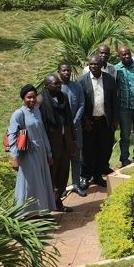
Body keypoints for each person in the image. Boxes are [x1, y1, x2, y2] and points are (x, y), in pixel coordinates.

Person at [8, 85, 57, 215]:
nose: (32, 100)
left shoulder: (37, 111)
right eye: (28, 97)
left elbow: (43, 133)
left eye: (34, 97)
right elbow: (12, 135)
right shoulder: (18, 114)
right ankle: (24, 214)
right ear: (23, 98)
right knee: (28, 183)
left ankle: (41, 211)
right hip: (27, 153)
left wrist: (48, 152)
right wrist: (14, 157)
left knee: (41, 181)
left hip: (40, 153)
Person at [79, 54, 119, 188]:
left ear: (102, 65)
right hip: (89, 122)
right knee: (88, 151)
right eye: (91, 64)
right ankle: (85, 176)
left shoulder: (109, 79)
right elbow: (81, 104)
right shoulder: (82, 81)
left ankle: (97, 175)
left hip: (104, 121)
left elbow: (114, 100)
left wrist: (114, 119)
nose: (93, 66)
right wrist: (85, 120)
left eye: (96, 64)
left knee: (103, 149)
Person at [39, 74, 77, 212]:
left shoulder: (63, 97)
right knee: (51, 174)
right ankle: (48, 206)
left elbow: (69, 120)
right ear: (46, 85)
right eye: (54, 83)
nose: (58, 85)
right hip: (50, 144)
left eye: (58, 83)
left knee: (63, 172)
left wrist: (73, 141)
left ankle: (58, 201)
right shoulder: (41, 100)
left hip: (65, 142)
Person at [58, 62, 86, 197]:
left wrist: (76, 120)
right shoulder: (56, 88)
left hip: (76, 128)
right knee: (64, 160)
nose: (66, 73)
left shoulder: (77, 86)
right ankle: (62, 187)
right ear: (59, 72)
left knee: (76, 157)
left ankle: (76, 183)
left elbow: (81, 103)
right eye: (64, 70)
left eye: (68, 70)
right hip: (62, 131)